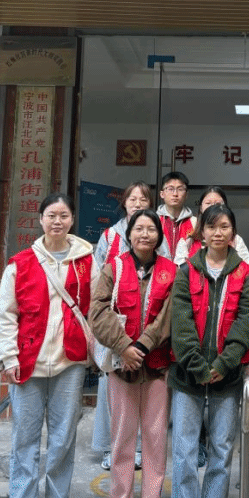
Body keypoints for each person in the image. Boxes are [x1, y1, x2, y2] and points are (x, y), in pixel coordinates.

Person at [0, 193, 94, 498]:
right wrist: (9, 356)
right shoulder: (20, 263)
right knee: (25, 440)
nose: (57, 221)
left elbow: (96, 309)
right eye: (51, 215)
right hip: (27, 362)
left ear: (72, 220)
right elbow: (5, 315)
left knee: (63, 439)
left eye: (63, 215)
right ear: (40, 219)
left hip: (69, 362)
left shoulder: (87, 261)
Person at [169, 203, 249, 498]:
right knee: (185, 451)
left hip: (228, 376)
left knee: (221, 450)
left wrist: (223, 363)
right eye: (211, 227)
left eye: (224, 227)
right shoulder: (186, 272)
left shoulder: (245, 275)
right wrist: (197, 365)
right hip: (188, 376)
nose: (217, 233)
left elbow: (246, 322)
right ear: (201, 233)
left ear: (233, 233)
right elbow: (181, 324)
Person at [90, 209, 175, 498]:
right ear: (129, 235)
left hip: (156, 367)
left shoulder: (171, 271)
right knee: (122, 439)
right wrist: (124, 346)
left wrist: (143, 345)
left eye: (151, 229)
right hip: (121, 367)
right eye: (138, 228)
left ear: (159, 236)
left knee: (155, 439)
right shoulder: (114, 267)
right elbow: (98, 311)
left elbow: (169, 315)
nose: (145, 234)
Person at [91, 181, 162, 471]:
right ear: (124, 203)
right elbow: (97, 280)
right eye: (132, 198)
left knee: (147, 395)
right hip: (114, 328)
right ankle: (110, 447)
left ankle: (140, 449)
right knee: (110, 390)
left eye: (143, 199)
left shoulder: (155, 233)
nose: (137, 203)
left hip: (147, 329)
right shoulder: (109, 235)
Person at [174, 186, 249, 266]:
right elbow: (180, 269)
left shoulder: (236, 240)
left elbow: (246, 268)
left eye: (218, 204)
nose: (213, 207)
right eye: (208, 203)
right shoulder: (187, 240)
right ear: (201, 208)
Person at [157, 171, 195, 258]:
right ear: (162, 194)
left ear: (186, 195)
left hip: (186, 266)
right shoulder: (154, 221)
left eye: (180, 189)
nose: (175, 194)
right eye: (170, 189)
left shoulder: (195, 223)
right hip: (159, 266)